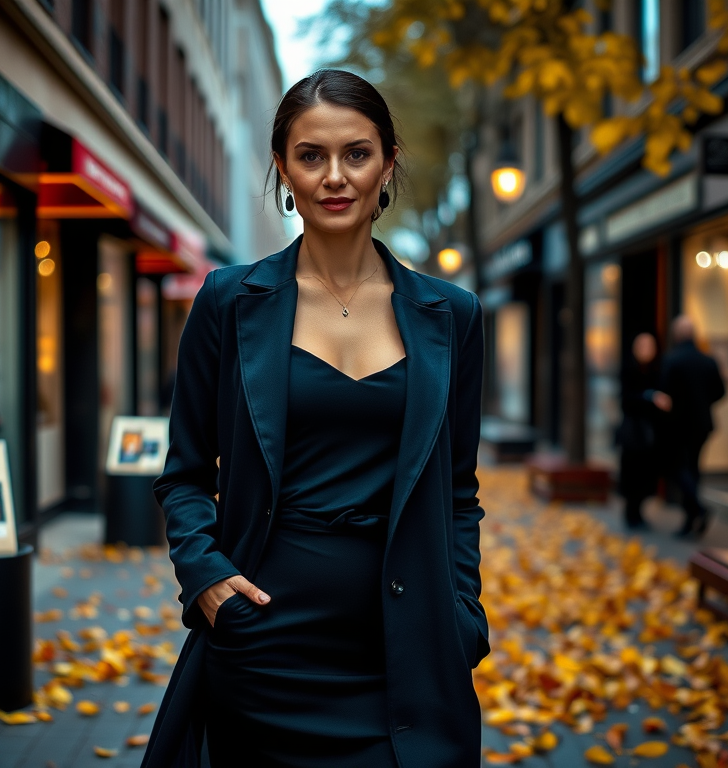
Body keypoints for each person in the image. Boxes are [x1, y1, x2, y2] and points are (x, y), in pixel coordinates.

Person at [140, 70, 488, 768]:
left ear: (388, 163)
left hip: (405, 648)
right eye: (311, 155)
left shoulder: (451, 316)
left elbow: (457, 492)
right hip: (264, 644)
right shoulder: (228, 302)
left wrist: (462, 615)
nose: (335, 176)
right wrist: (206, 578)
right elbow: (182, 476)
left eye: (356, 153)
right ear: (283, 168)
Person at [661, 316, 726, 536]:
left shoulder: (672, 360)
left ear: (677, 335)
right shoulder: (708, 361)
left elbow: (665, 392)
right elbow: (721, 391)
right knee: (693, 469)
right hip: (702, 424)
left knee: (679, 469)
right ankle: (692, 519)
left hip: (678, 425)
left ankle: (697, 510)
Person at [618, 333, 671, 530]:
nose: (645, 350)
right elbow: (626, 400)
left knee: (646, 475)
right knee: (633, 474)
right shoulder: (629, 370)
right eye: (641, 345)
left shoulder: (658, 370)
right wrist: (649, 397)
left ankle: (638, 512)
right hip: (634, 434)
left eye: (649, 346)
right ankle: (631, 513)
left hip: (651, 434)